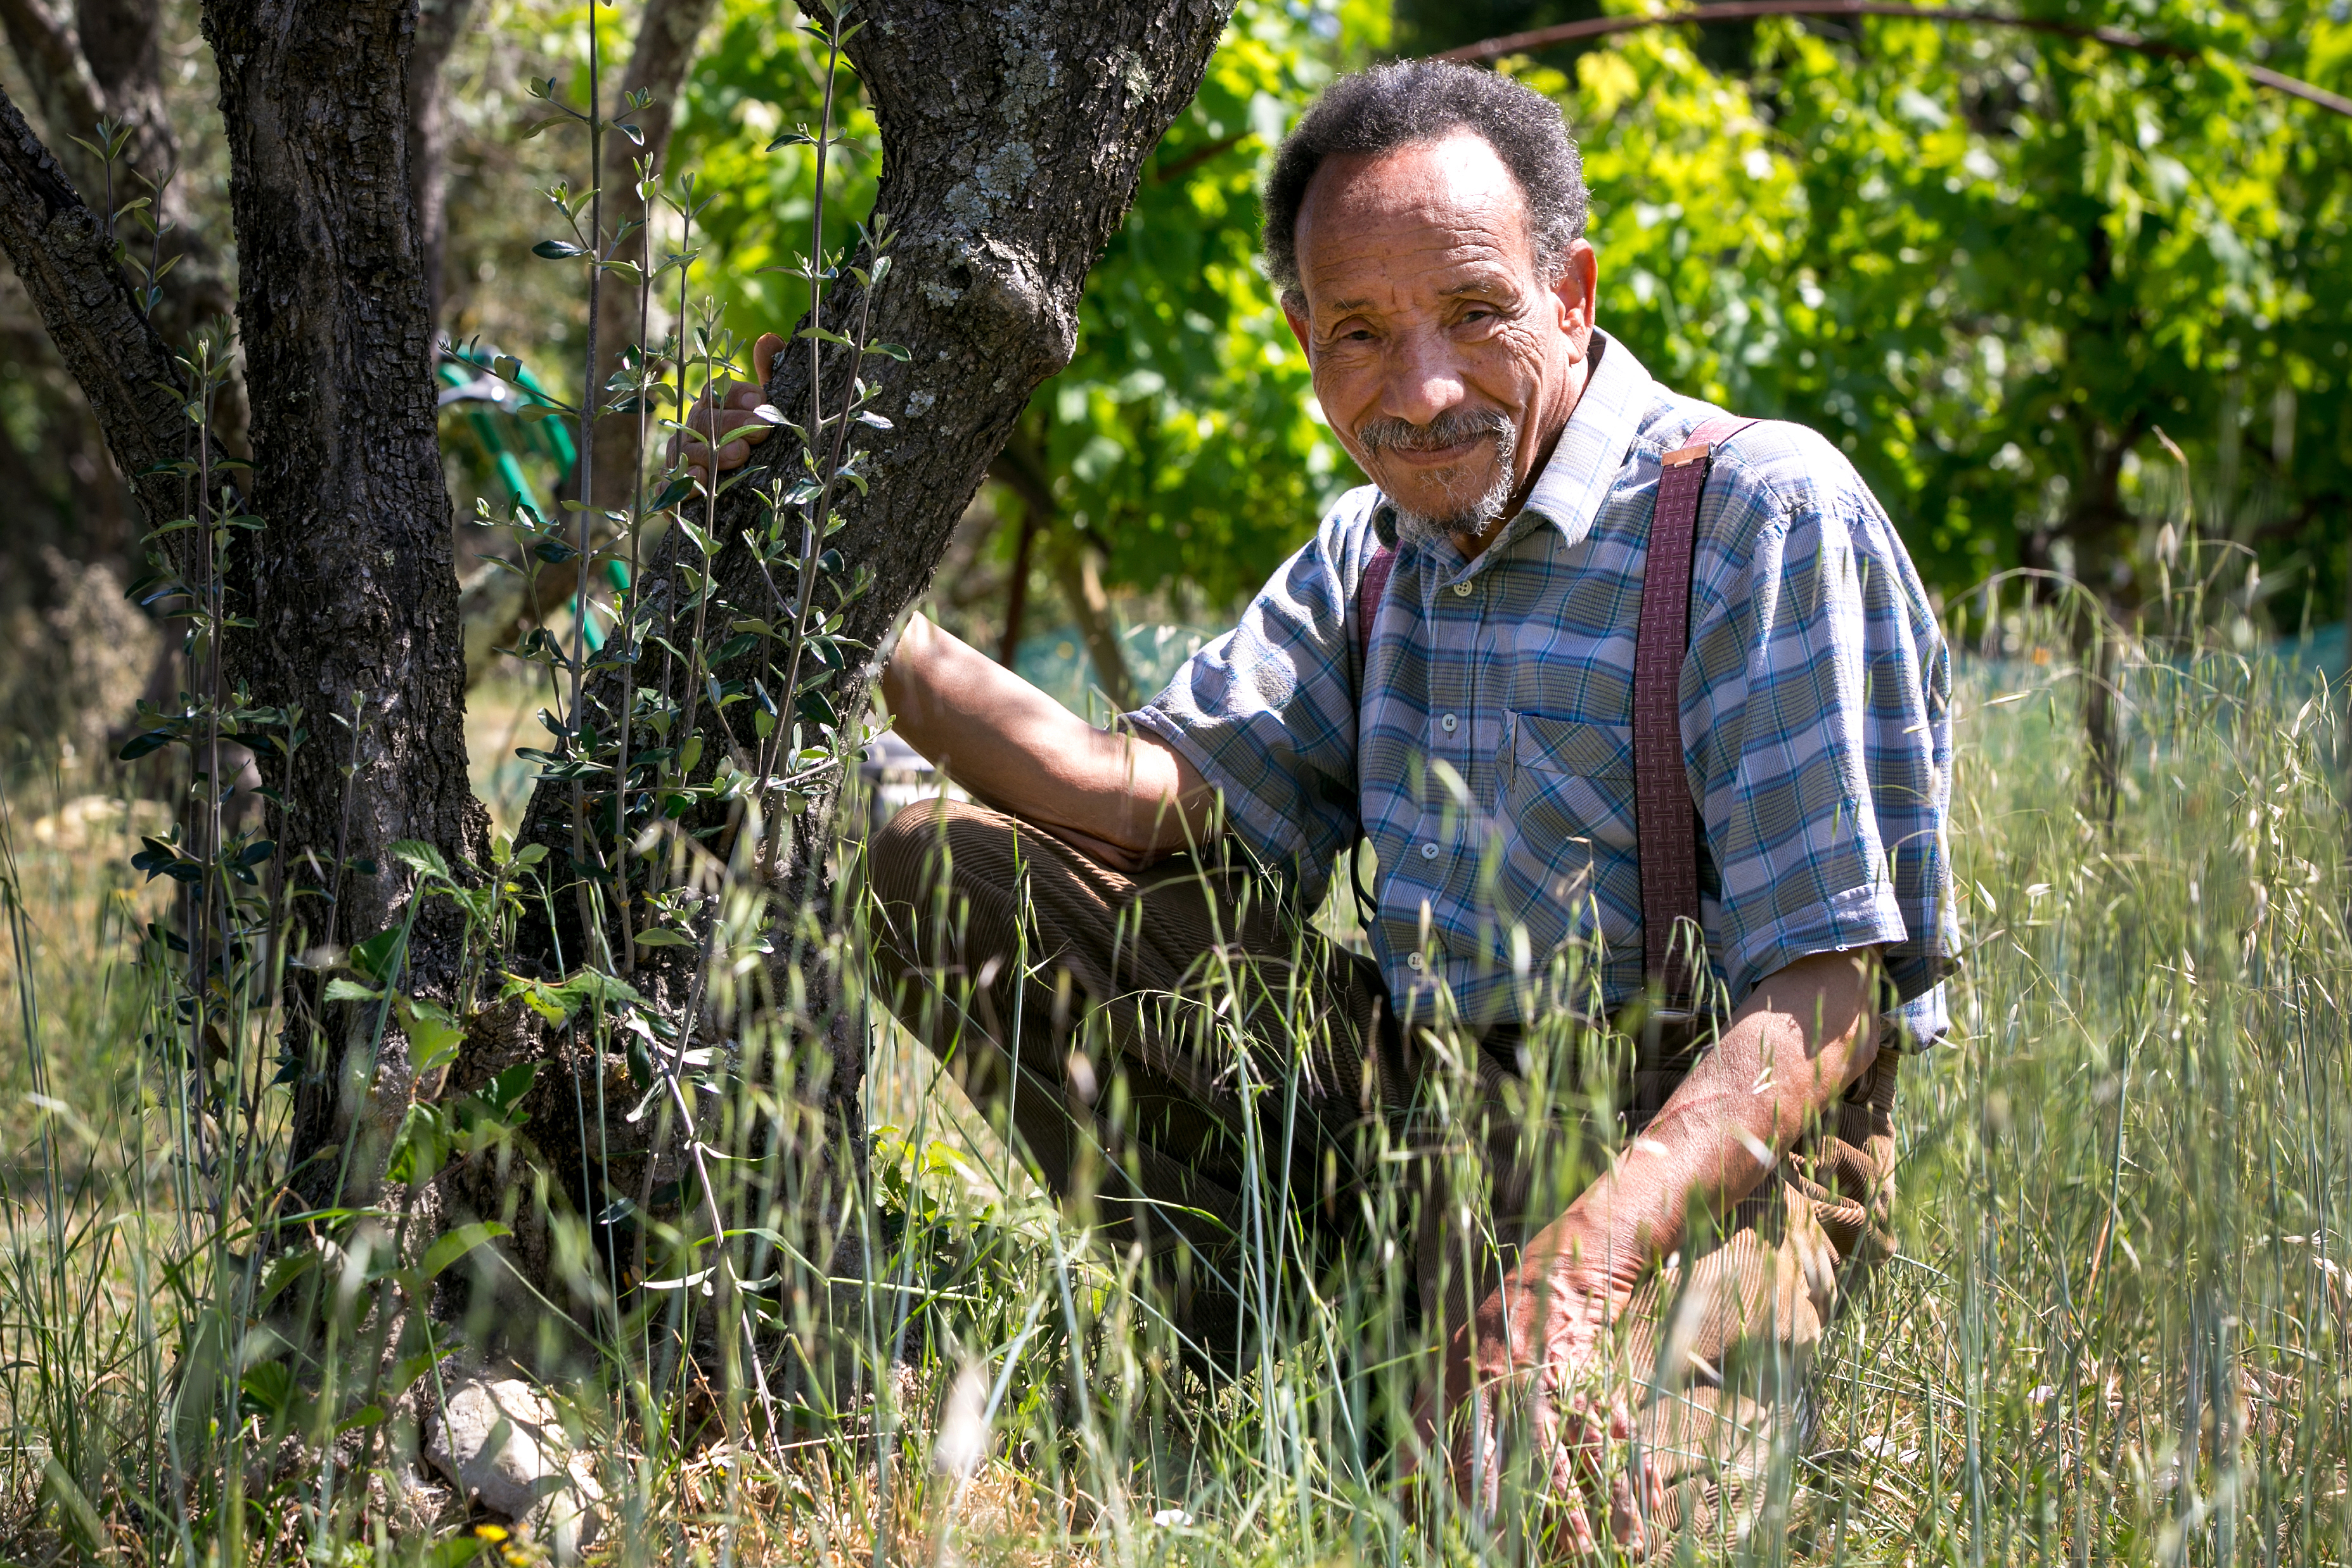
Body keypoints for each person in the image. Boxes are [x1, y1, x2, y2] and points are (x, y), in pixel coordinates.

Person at [688, 59, 1951, 1555]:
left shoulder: (1756, 511)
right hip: (1426, 1107)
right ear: (1303, 342)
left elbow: (1827, 990)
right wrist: (849, 593)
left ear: (1572, 295)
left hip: (1694, 1152)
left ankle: (1458, 1386)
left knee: (1577, 1526)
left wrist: (1577, 1275)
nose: (1416, 390)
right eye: (1358, 333)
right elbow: (1137, 796)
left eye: (1473, 313)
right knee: (938, 870)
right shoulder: (1370, 546)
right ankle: (1288, 1357)